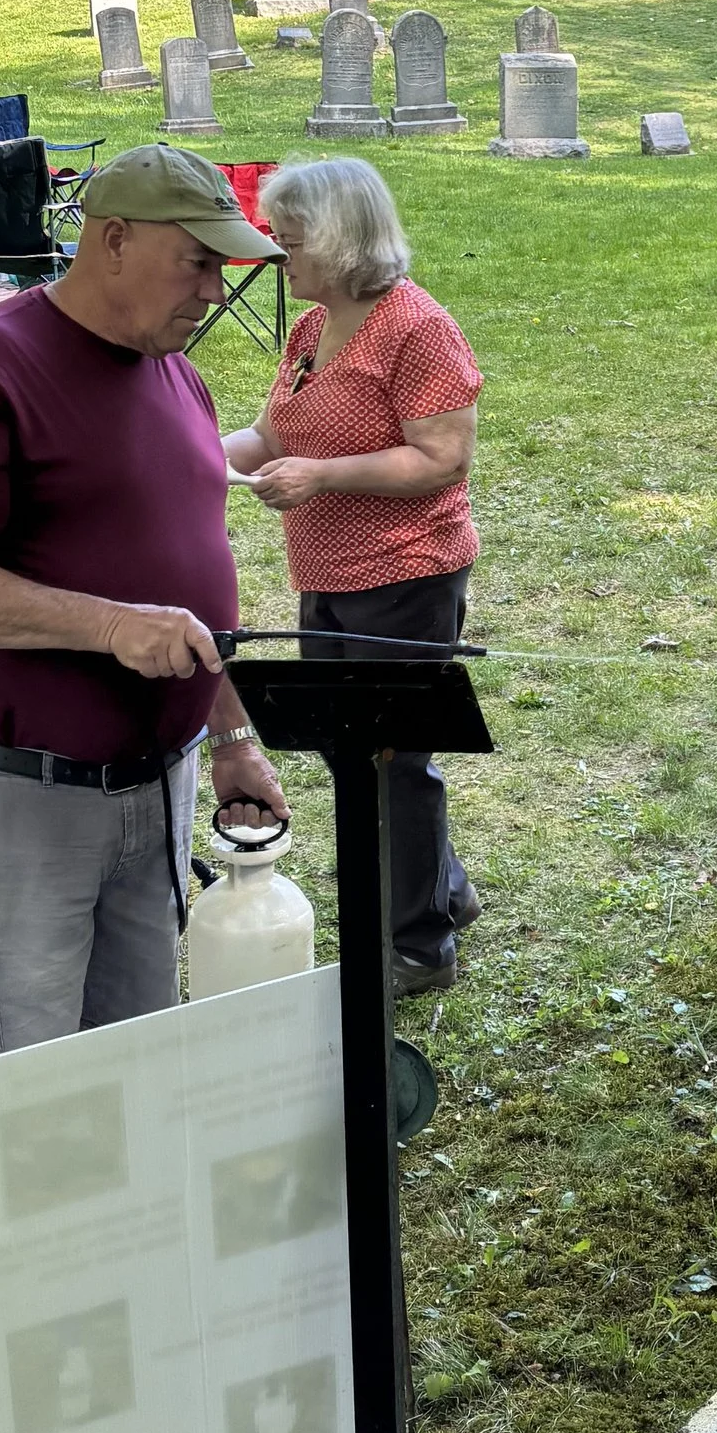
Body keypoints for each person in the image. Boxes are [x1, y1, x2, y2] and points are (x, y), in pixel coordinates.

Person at [0, 146, 292, 1433]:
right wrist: (105, 629)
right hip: (29, 792)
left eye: (226, 268)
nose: (211, 289)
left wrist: (229, 732)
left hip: (158, 781)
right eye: (195, 260)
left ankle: (88, 1284)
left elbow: (199, 566)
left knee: (123, 1052)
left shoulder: (176, 377)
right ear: (109, 237)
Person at [221, 158, 483, 998]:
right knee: (349, 751)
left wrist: (324, 476)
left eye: (291, 238)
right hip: (328, 573)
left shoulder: (416, 328)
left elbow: (443, 457)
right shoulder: (311, 326)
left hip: (407, 574)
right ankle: (440, 886)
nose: (276, 250)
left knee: (395, 758)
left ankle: (418, 943)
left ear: (340, 239)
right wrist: (184, 457)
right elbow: (268, 435)